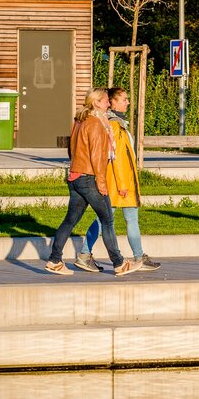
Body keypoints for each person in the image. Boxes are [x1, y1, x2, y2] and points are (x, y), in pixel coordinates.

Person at [45, 88, 143, 276]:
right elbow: (98, 157)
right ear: (96, 102)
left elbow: (71, 148)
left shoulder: (79, 120)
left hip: (75, 176)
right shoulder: (97, 123)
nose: (108, 103)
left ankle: (54, 260)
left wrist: (76, 168)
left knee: (70, 220)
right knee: (108, 221)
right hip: (90, 178)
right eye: (106, 100)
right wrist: (101, 182)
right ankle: (119, 263)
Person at [75, 87, 160, 272]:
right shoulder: (115, 124)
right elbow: (118, 158)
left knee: (113, 219)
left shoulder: (116, 122)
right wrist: (123, 185)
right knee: (106, 219)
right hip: (119, 183)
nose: (127, 102)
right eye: (123, 99)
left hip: (121, 181)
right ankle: (86, 254)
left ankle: (86, 254)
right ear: (112, 102)